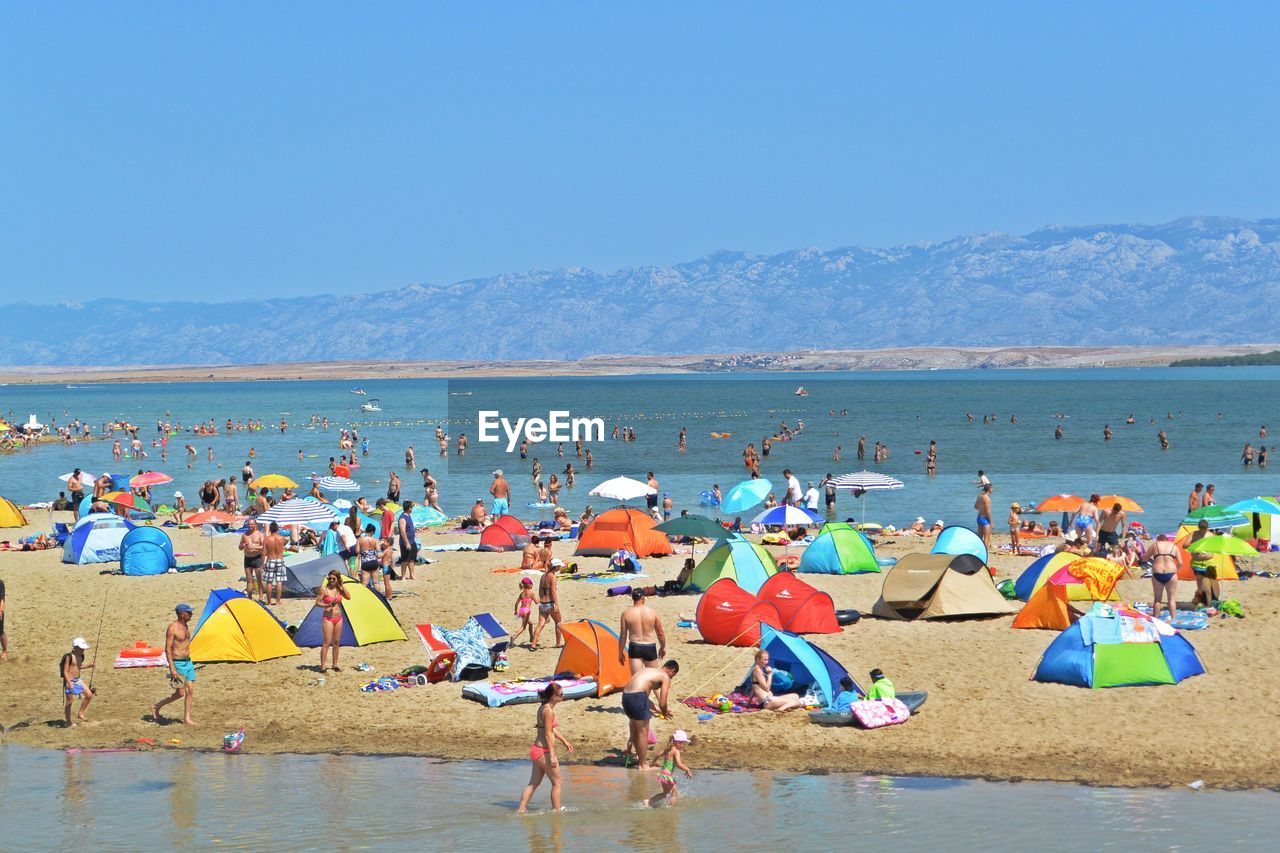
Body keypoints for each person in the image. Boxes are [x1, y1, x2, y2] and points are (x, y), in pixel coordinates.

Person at [515, 682, 574, 813]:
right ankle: (556, 811)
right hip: (544, 752)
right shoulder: (548, 711)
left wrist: (564, 740)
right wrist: (552, 756)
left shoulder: (545, 707)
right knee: (558, 782)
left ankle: (520, 810)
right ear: (553, 696)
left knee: (533, 784)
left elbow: (552, 729)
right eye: (561, 695)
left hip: (537, 750)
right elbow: (548, 734)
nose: (562, 697)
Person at [620, 661, 679, 768]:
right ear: (671, 670)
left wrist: (659, 710)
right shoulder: (664, 676)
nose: (671, 678)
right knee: (643, 732)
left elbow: (641, 696)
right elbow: (663, 702)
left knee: (635, 729)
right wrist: (664, 711)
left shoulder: (647, 671)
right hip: (637, 697)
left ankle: (638, 760)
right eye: (673, 676)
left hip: (626, 697)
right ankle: (643, 765)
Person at [152, 604, 198, 725]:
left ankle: (187, 719)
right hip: (178, 664)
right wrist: (172, 668)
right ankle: (157, 706)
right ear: (182, 614)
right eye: (189, 612)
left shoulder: (186, 626)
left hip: (188, 662)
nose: (191, 614)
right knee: (180, 693)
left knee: (190, 690)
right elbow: (167, 649)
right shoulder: (172, 628)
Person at [619, 589, 666, 673]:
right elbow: (660, 633)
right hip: (649, 646)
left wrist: (620, 652)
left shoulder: (626, 614)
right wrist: (662, 647)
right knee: (652, 678)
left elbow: (623, 636)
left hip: (635, 646)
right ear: (643, 598)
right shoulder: (653, 612)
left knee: (637, 679)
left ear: (633, 598)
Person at [315, 570, 351, 672]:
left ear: (338, 579)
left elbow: (348, 597)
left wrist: (342, 585)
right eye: (329, 578)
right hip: (328, 618)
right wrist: (327, 605)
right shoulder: (324, 590)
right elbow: (317, 603)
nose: (331, 580)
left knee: (336, 642)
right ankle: (322, 667)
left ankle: (335, 665)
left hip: (338, 618)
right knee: (326, 643)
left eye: (333, 579)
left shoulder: (339, 589)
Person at [648, 730, 693, 807]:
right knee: (674, 793)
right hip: (667, 775)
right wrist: (687, 769)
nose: (684, 746)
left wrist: (653, 763)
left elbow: (658, 755)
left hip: (662, 774)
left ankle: (648, 802)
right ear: (678, 742)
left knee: (666, 793)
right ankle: (671, 810)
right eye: (683, 743)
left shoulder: (668, 749)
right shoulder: (676, 751)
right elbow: (679, 764)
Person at [531, 559, 564, 650]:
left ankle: (533, 644)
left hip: (542, 604)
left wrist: (542, 600)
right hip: (550, 604)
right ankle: (558, 643)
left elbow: (540, 590)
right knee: (559, 623)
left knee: (540, 625)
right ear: (556, 567)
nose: (560, 567)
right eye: (560, 566)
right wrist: (556, 605)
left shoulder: (543, 575)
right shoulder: (552, 576)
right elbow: (553, 591)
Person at [62, 637, 94, 726]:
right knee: (70, 702)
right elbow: (65, 671)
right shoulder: (69, 657)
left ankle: (80, 713)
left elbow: (78, 666)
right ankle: (68, 722)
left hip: (78, 680)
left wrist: (89, 665)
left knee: (89, 695)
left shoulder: (81, 656)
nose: (83, 650)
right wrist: (69, 683)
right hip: (70, 681)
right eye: (81, 649)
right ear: (75, 648)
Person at [1149, 534, 1180, 621]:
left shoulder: (1155, 545)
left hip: (1157, 572)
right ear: (1166, 540)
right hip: (1171, 573)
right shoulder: (1173, 546)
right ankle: (1174, 619)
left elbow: (1144, 557)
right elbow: (1180, 562)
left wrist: (1155, 560)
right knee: (1171, 599)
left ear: (1158, 540)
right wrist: (1176, 570)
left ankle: (1156, 619)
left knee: (1157, 599)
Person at [1188, 519, 1218, 607]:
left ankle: (1212, 600)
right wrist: (1196, 544)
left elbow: (1217, 546)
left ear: (1207, 528)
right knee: (1200, 584)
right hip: (1197, 563)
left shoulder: (1211, 535)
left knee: (1211, 582)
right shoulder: (1194, 534)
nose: (1202, 531)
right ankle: (1200, 599)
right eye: (1201, 529)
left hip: (1209, 562)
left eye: (1204, 529)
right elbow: (1185, 545)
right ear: (1198, 527)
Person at [239, 519, 265, 601]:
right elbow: (239, 547)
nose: (250, 526)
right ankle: (249, 597)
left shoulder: (260, 534)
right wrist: (242, 545)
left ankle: (260, 596)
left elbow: (263, 547)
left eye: (252, 524)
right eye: (249, 524)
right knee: (249, 579)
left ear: (255, 525)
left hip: (257, 558)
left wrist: (253, 547)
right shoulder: (244, 535)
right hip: (247, 558)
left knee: (259, 579)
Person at [262, 522, 287, 606]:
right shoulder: (282, 538)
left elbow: (263, 553)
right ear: (277, 529)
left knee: (269, 582)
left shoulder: (267, 539)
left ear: (270, 529)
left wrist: (262, 563)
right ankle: (278, 601)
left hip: (270, 559)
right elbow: (285, 544)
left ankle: (269, 601)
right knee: (279, 581)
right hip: (279, 560)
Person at [397, 500, 419, 581]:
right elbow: (402, 532)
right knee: (405, 560)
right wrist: (407, 543)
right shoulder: (402, 518)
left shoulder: (408, 515)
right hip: (405, 542)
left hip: (412, 541)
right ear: (409, 508)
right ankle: (403, 576)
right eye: (411, 507)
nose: (412, 508)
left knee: (412, 559)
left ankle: (412, 575)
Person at [358, 524, 381, 589]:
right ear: (372, 532)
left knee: (365, 584)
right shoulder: (375, 540)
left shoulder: (360, 539)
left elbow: (357, 551)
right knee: (376, 582)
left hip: (365, 562)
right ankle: (378, 597)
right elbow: (378, 550)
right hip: (374, 561)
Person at [514, 577, 537, 646]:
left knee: (531, 623)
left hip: (521, 610)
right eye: (531, 584)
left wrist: (515, 611)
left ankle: (531, 638)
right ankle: (514, 636)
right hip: (527, 611)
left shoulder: (522, 593)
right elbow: (536, 602)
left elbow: (516, 603)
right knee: (523, 627)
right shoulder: (531, 593)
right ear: (529, 585)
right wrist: (541, 599)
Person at [974, 483, 993, 551]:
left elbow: (975, 506)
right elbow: (988, 511)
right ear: (989, 489)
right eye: (992, 488)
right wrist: (991, 522)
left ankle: (979, 551)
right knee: (987, 538)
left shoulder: (980, 496)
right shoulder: (987, 498)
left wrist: (981, 509)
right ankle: (986, 553)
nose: (992, 490)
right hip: (985, 518)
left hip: (979, 517)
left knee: (980, 536)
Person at [0, 576, 6, 660]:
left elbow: (2, 599)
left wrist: (0, 610)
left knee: (0, 632)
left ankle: (5, 651)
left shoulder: (0, 583)